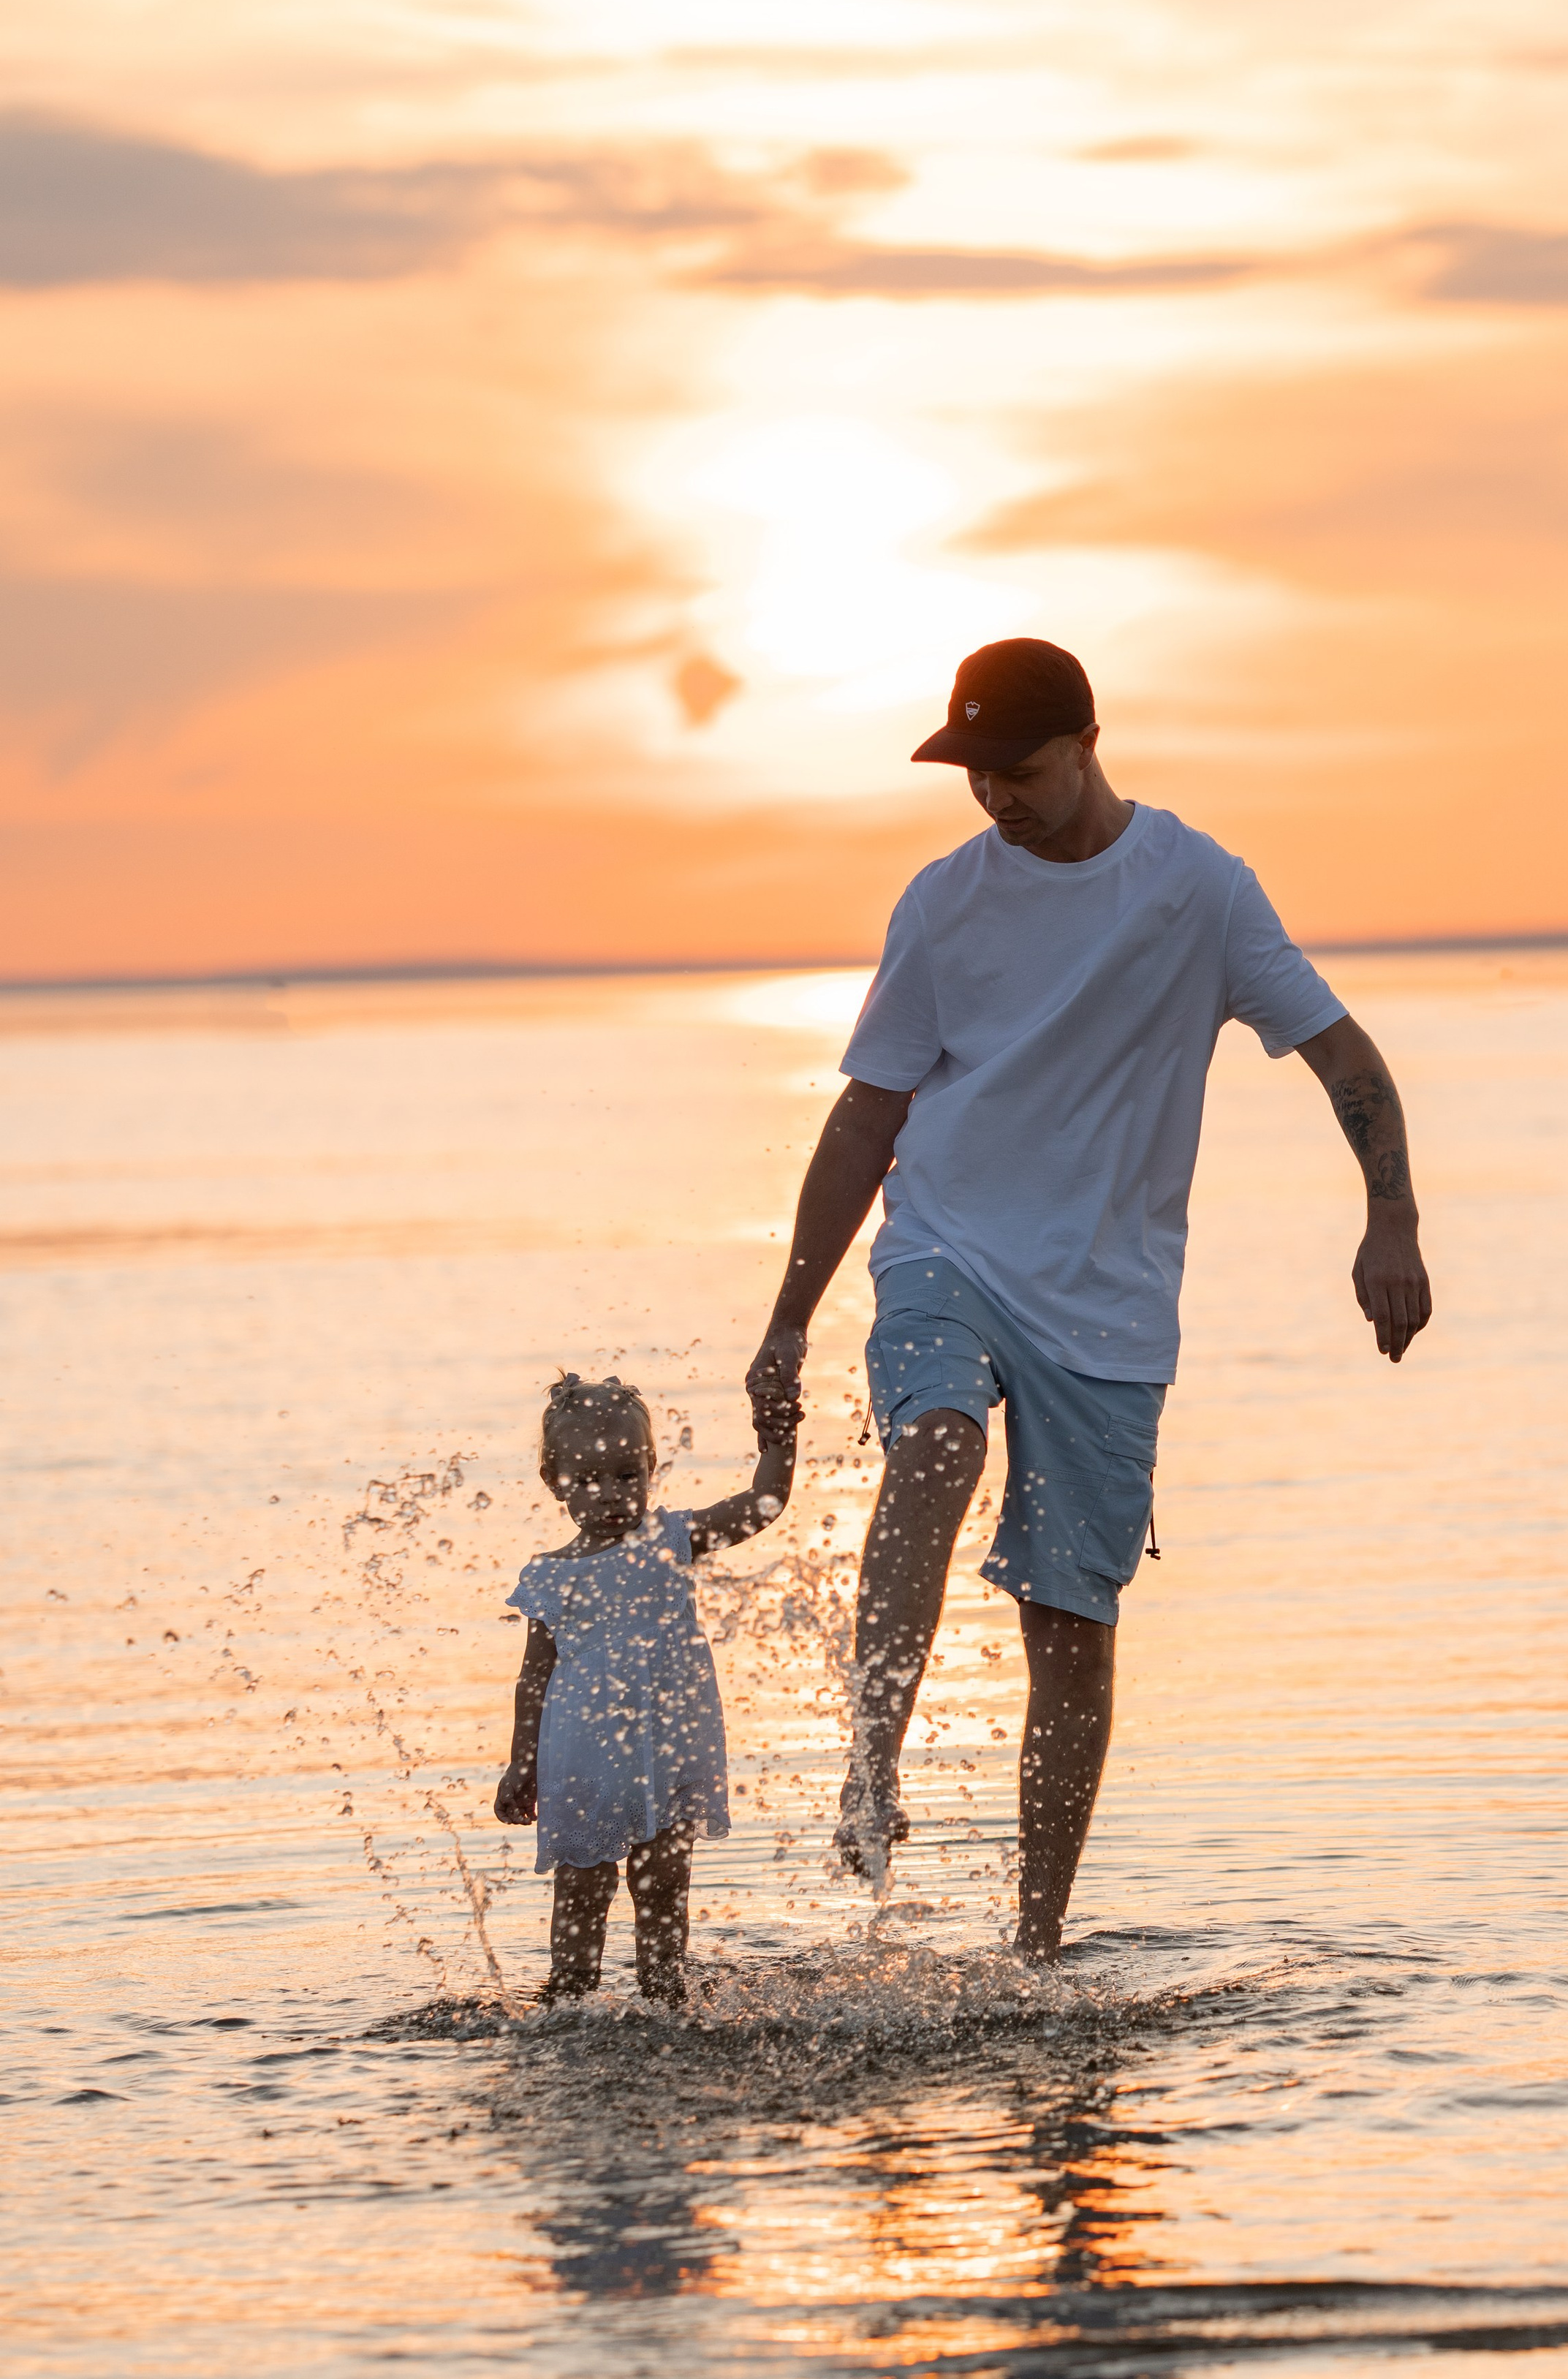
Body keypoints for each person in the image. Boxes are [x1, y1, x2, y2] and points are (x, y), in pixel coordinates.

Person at [746, 637, 1431, 1962]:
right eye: (975, 773)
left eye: (1021, 769)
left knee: (1072, 1624)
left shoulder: (1199, 890)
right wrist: (787, 1317)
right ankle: (872, 1757)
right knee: (935, 1444)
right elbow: (870, 1109)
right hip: (947, 1242)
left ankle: (1038, 1947)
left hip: (1107, 1304)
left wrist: (1389, 1215)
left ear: (1087, 744)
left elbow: (1343, 1051)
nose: (997, 795)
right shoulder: (943, 903)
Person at [494, 1371, 798, 2005]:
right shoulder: (549, 1576)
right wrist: (521, 1767)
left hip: (669, 1749)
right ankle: (569, 1997)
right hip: (582, 1762)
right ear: (555, 1482)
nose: (611, 1494)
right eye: (590, 1479)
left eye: (628, 1475)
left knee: (662, 1884)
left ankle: (666, 1998)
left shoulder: (670, 1539)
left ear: (652, 1466)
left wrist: (779, 1438)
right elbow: (533, 1680)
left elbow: (763, 1504)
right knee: (582, 1890)